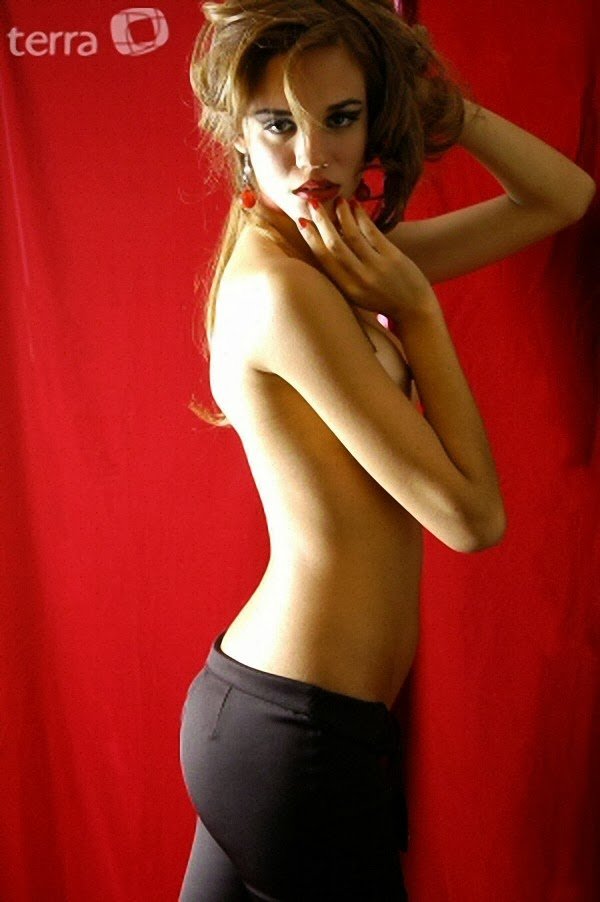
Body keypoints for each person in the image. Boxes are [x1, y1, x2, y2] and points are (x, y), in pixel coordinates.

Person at [179, 1, 596, 899]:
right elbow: (472, 519)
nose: (313, 157)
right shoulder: (287, 293)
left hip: (272, 713)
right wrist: (417, 313)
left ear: (375, 123)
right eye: (278, 124)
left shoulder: (324, 255)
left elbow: (563, 197)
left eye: (341, 118)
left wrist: (446, 108)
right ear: (238, 132)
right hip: (301, 733)